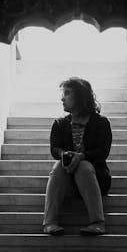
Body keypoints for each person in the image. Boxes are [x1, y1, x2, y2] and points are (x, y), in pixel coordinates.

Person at [42, 77, 112, 235]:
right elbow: (54, 149)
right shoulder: (59, 124)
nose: (62, 98)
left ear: (80, 96)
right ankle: (49, 223)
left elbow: (102, 152)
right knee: (59, 164)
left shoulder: (101, 123)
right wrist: (63, 154)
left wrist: (82, 156)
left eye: (67, 93)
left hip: (96, 180)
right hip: (67, 180)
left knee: (84, 165)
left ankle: (97, 222)